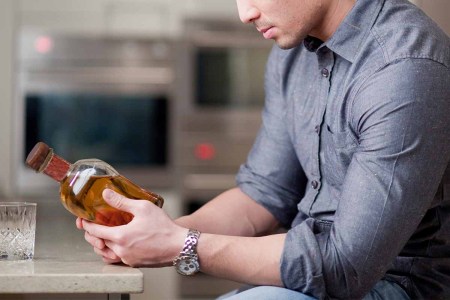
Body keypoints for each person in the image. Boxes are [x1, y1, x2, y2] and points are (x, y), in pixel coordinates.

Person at [76, 0, 450, 299]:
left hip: (398, 286)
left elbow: (344, 268)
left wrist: (178, 245)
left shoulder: (405, 69)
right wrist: (151, 234)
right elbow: (265, 194)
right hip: (310, 282)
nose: (244, 13)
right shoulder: (292, 53)